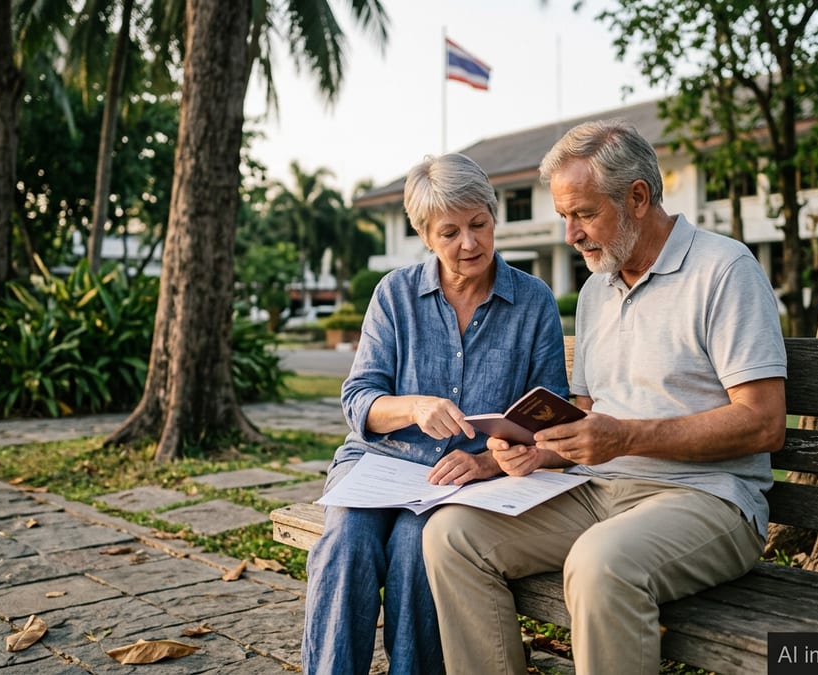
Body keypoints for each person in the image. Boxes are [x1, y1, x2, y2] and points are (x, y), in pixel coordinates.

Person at [421, 119, 788, 674]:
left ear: (637, 197)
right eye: (564, 217)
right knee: (452, 534)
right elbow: (588, 420)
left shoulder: (725, 270)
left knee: (599, 563)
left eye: (584, 214)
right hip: (599, 491)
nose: (571, 234)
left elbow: (764, 425)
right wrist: (533, 451)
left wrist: (626, 436)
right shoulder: (597, 287)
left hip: (711, 499)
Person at [301, 152, 569, 675]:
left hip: (464, 480)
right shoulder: (394, 295)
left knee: (413, 550)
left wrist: (487, 464)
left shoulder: (533, 302)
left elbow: (549, 422)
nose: (468, 243)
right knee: (346, 543)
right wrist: (413, 407)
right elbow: (359, 400)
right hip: (379, 466)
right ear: (424, 235)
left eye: (479, 225)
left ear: (494, 218)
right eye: (449, 232)